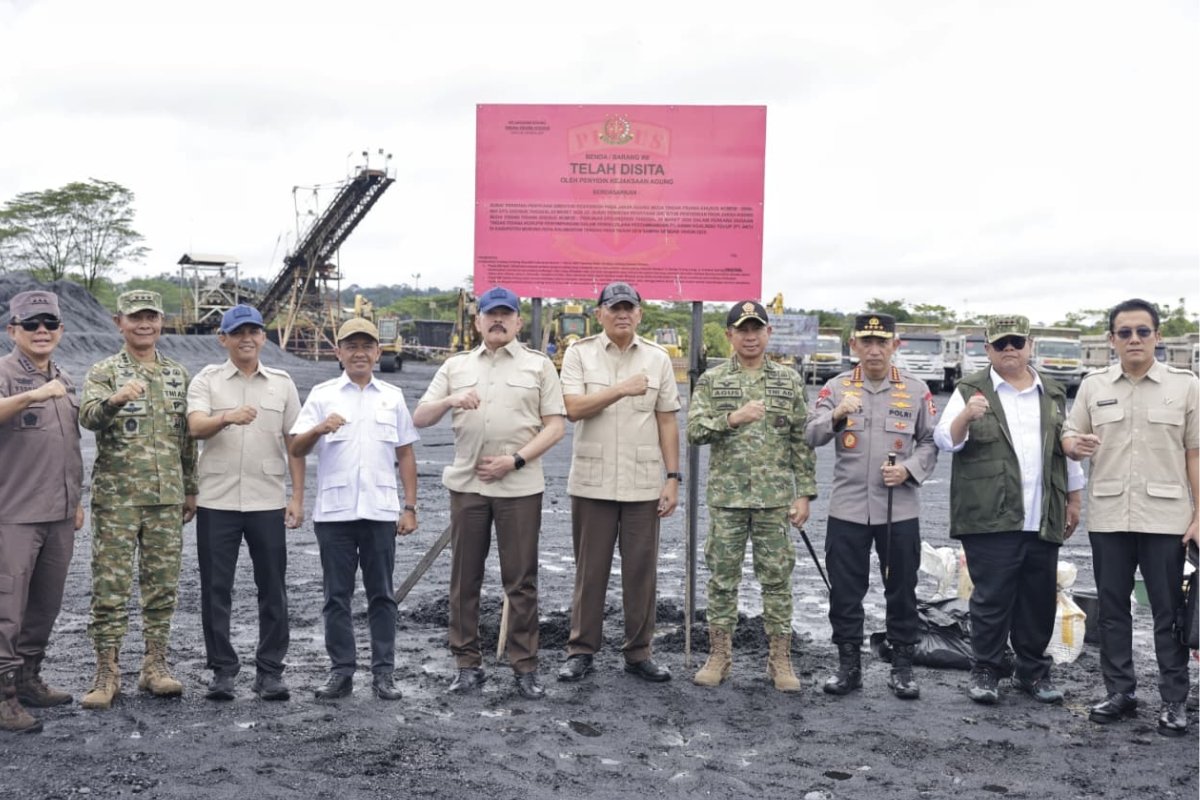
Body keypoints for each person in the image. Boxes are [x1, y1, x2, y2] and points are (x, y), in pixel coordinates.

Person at [413, 286, 565, 700]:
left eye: (506, 314)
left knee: (521, 581)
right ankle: (467, 665)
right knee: (464, 579)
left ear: (518, 321)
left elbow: (555, 426)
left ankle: (524, 668)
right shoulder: (456, 366)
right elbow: (420, 417)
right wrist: (450, 399)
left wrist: (514, 460)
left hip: (519, 486)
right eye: (490, 314)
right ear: (478, 321)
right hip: (468, 486)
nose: (498, 320)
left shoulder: (538, 365)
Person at [1062, 298, 1198, 737]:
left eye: (1142, 331)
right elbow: (1068, 434)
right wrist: (1074, 445)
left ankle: (1174, 700)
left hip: (1166, 519)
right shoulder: (1093, 385)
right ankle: (1120, 692)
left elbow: (1195, 454)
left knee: (1168, 612)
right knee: (1113, 610)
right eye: (1125, 333)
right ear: (1112, 340)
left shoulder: (1186, 386)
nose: (1134, 339)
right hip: (1109, 517)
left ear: (1158, 336)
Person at [934, 314, 1083, 705]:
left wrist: (1074, 499)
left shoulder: (1052, 392)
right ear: (988, 350)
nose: (1010, 349)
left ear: (1030, 345)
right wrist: (966, 416)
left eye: (1017, 342)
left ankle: (1032, 672)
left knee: (1038, 598)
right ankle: (986, 669)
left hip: (1041, 512)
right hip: (989, 514)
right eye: (1001, 344)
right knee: (991, 598)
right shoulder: (970, 389)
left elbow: (1065, 450)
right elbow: (945, 441)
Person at [804, 312, 938, 699]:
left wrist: (909, 470)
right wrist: (836, 415)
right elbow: (810, 434)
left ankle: (902, 667)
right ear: (854, 345)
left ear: (895, 345)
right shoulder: (836, 386)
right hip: (847, 509)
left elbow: (930, 441)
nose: (875, 350)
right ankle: (849, 666)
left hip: (899, 509)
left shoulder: (915, 389)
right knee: (845, 591)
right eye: (867, 342)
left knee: (902, 589)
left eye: (882, 342)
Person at [687, 300, 816, 692]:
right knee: (722, 579)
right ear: (729, 335)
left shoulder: (789, 380)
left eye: (756, 329)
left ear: (768, 333)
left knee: (777, 579)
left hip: (774, 500)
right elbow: (694, 430)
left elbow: (801, 441)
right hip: (727, 499)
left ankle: (780, 659)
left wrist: (804, 494)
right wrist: (732, 418)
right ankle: (719, 655)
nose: (749, 336)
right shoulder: (712, 380)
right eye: (742, 330)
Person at [79, 290, 198, 710]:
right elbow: (87, 417)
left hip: (166, 498)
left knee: (162, 586)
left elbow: (186, 438)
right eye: (135, 318)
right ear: (120, 323)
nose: (144, 324)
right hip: (118, 499)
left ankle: (155, 665)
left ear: (161, 322)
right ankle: (107, 670)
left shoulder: (177, 373)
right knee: (110, 586)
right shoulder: (104, 371)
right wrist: (115, 400)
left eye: (151, 317)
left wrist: (191, 487)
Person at [557, 281, 681, 684]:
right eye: (615, 308)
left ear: (640, 314)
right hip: (592, 482)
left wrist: (673, 478)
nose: (623, 314)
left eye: (630, 308)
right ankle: (581, 651)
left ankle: (639, 652)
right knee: (589, 572)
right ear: (600, 314)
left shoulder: (658, 358)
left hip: (642, 482)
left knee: (641, 573)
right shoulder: (579, 353)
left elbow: (667, 420)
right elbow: (573, 408)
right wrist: (621, 389)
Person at [290, 318, 418, 701]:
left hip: (380, 512)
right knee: (336, 597)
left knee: (383, 596)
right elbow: (296, 448)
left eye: (366, 346)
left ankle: (384, 674)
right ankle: (341, 673)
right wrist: (318, 429)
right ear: (339, 352)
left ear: (378, 353)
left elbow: (405, 453)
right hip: (335, 514)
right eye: (351, 346)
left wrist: (410, 506)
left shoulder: (392, 396)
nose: (359, 353)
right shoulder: (322, 395)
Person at [186, 304, 305, 702]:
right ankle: (223, 670)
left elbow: (295, 443)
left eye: (253, 331)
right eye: (238, 333)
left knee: (272, 588)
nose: (247, 339)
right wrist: (226, 417)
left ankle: (270, 671)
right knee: (215, 589)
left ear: (263, 337)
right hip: (216, 500)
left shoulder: (282, 383)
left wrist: (297, 497)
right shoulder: (207, 380)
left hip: (267, 500)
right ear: (223, 339)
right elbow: (195, 426)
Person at [0, 291, 83, 733]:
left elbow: (68, 446)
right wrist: (33, 394)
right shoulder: (5, 372)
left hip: (59, 513)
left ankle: (28, 677)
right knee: (6, 607)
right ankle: (3, 695)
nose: (41, 331)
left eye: (49, 323)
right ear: (12, 329)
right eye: (31, 324)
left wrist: (77, 501)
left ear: (61, 330)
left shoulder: (64, 378)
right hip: (13, 513)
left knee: (45, 604)